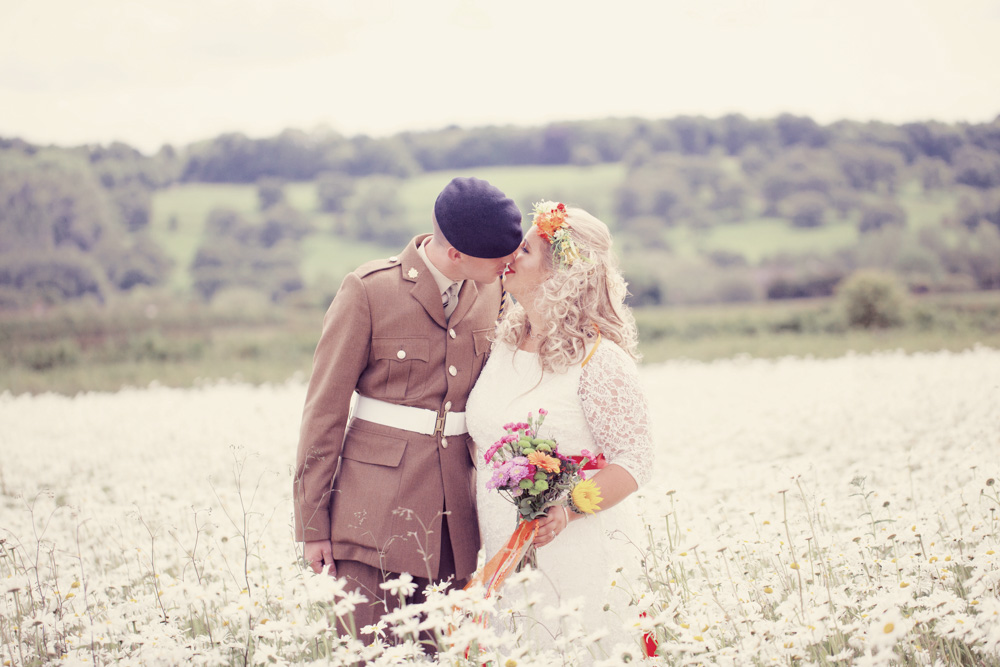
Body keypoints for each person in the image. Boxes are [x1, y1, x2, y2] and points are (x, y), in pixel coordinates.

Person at [294, 177, 523, 641]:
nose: (509, 264)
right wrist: (312, 526)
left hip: (454, 522)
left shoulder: (493, 293)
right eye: (499, 258)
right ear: (457, 252)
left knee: (441, 651)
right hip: (370, 520)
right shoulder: (368, 291)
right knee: (370, 651)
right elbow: (324, 413)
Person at [466, 202, 654, 654]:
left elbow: (636, 462)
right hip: (498, 541)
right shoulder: (502, 343)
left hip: (577, 547)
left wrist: (567, 509)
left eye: (525, 249)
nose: (510, 254)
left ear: (559, 274)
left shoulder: (600, 359)